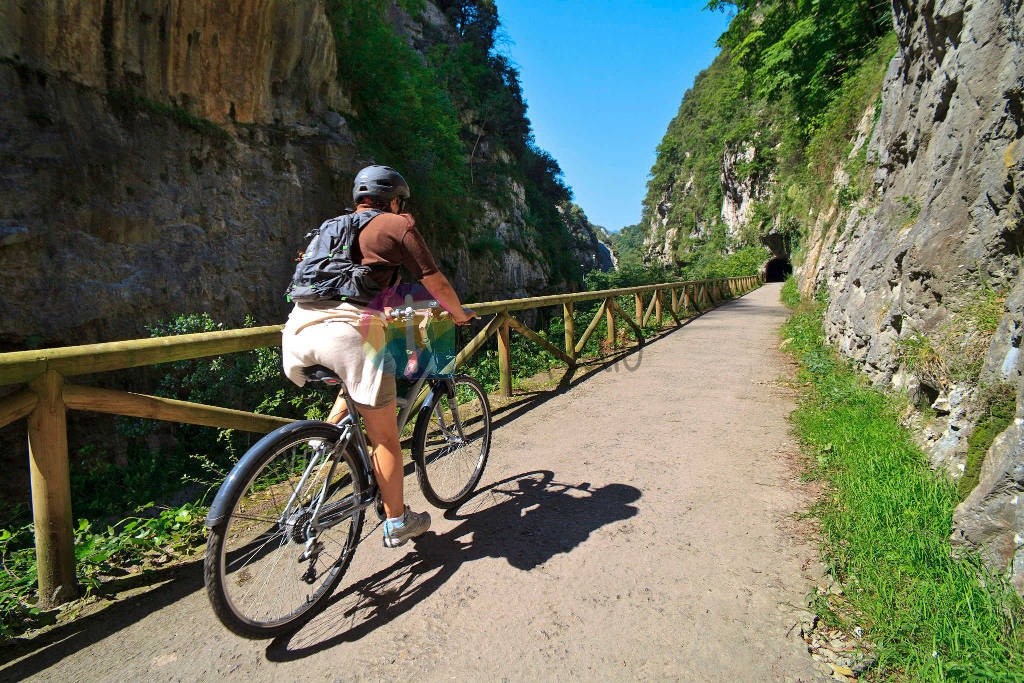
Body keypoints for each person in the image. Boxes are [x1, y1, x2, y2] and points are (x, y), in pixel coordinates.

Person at [281, 165, 476, 548]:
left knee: (357, 377)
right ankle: (398, 521)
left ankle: (328, 440)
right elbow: (433, 280)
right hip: (348, 333)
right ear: (394, 199)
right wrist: (457, 314)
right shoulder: (395, 225)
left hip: (298, 330)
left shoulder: (329, 228)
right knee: (385, 437)